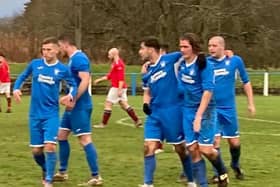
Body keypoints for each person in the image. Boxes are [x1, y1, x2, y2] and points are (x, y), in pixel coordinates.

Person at [13, 37, 77, 187]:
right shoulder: (35, 64)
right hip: (35, 114)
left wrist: (70, 95)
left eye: (49, 50)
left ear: (56, 50)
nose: (45, 52)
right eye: (43, 50)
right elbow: (22, 76)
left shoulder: (62, 69)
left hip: (51, 114)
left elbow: (73, 85)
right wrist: (16, 88)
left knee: (50, 146)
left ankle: (48, 180)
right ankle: (45, 168)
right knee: (36, 151)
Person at [138, 37, 195, 187]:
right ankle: (147, 183)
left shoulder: (171, 60)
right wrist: (145, 103)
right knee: (148, 146)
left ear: (151, 49)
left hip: (173, 112)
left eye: (142, 48)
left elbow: (191, 53)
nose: (140, 52)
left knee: (180, 148)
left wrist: (223, 55)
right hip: (155, 113)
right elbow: (147, 91)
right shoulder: (146, 70)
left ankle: (190, 180)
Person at [177, 33, 228, 187]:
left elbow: (208, 92)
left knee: (206, 149)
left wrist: (198, 116)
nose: (182, 50)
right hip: (187, 109)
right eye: (180, 46)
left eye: (185, 46)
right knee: (192, 148)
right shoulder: (181, 64)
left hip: (206, 110)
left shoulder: (204, 65)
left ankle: (222, 172)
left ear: (194, 48)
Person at [53, 34, 103, 186]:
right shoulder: (72, 59)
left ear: (65, 44)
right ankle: (62, 172)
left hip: (80, 105)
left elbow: (85, 80)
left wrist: (73, 98)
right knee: (61, 136)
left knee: (84, 139)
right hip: (72, 105)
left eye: (59, 47)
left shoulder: (79, 58)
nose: (58, 50)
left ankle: (96, 176)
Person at [207, 36, 255, 183]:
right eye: (209, 46)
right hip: (212, 109)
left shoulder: (235, 61)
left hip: (229, 109)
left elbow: (246, 82)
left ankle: (235, 164)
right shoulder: (206, 63)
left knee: (234, 143)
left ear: (223, 47)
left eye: (214, 46)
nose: (211, 48)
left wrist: (251, 103)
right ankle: (219, 173)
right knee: (215, 141)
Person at [93, 48, 142, 128]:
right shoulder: (115, 63)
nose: (108, 56)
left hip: (117, 88)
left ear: (114, 54)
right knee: (124, 104)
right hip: (120, 87)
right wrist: (99, 80)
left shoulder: (119, 64)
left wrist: (119, 90)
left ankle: (103, 124)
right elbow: (110, 76)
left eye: (109, 54)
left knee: (108, 103)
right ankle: (137, 120)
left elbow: (121, 78)